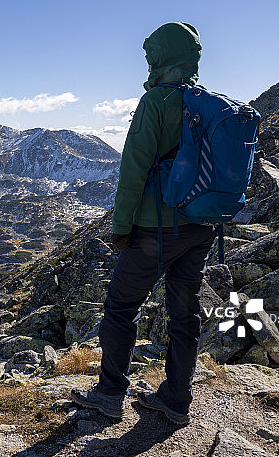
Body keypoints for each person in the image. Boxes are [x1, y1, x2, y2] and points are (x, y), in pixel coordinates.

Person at [71, 22, 215, 425]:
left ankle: (110, 393)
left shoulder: (156, 103)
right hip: (200, 226)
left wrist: (121, 227)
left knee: (121, 307)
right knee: (185, 314)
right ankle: (175, 399)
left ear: (162, 56)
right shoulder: (205, 103)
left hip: (156, 230)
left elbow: (133, 169)